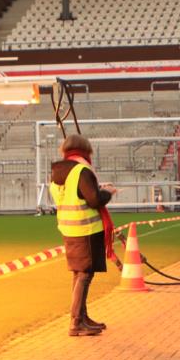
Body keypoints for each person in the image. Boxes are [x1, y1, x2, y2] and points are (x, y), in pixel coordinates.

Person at [50, 134, 116, 337]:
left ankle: (82, 317)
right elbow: (94, 199)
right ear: (85, 151)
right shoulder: (81, 171)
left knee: (79, 274)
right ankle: (76, 322)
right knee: (85, 274)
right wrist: (108, 192)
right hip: (86, 230)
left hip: (69, 229)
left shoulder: (57, 172)